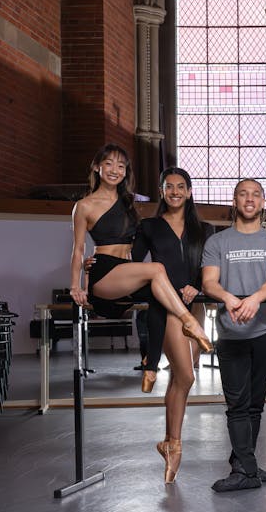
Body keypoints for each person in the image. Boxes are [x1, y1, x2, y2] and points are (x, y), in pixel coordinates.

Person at [68, 145, 212, 375]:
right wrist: (76, 285)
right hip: (105, 269)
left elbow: (134, 248)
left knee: (160, 294)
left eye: (121, 166)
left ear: (126, 172)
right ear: (96, 167)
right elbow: (78, 249)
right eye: (108, 163)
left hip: (124, 270)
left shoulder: (128, 202)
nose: (115, 170)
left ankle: (150, 366)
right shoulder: (84, 206)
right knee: (156, 269)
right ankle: (190, 323)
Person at [202, 178, 266, 492]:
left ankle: (245, 466)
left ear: (262, 202)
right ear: (235, 201)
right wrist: (228, 297)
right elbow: (209, 282)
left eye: (255, 194)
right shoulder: (217, 242)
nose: (249, 199)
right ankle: (246, 470)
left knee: (254, 405)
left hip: (263, 332)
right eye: (243, 194)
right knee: (237, 405)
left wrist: (254, 299)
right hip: (230, 334)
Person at [130, 168, 215, 483]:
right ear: (162, 191)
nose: (175, 192)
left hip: (196, 307)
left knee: (181, 378)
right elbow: (133, 264)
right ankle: (175, 445)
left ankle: (168, 441)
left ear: (190, 192)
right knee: (187, 376)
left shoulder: (204, 229)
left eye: (181, 187)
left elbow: (209, 266)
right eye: (169, 187)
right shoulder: (149, 226)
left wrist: (197, 285)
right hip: (167, 308)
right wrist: (99, 263)